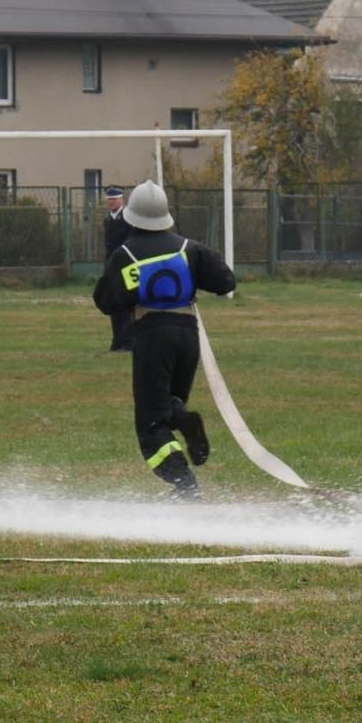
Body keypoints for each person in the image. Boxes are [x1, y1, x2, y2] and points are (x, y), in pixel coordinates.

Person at [93, 180, 236, 499]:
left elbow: (105, 301)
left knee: (151, 425)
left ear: (131, 216)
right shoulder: (190, 248)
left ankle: (185, 486)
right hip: (188, 335)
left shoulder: (125, 254)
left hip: (152, 336)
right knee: (167, 405)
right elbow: (226, 280)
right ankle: (183, 420)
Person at [101, 186, 134, 352]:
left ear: (122, 200)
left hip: (125, 265)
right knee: (114, 304)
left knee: (126, 304)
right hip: (111, 266)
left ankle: (128, 341)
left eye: (114, 199)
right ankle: (117, 340)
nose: (111, 202)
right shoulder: (107, 220)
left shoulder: (128, 219)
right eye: (109, 200)